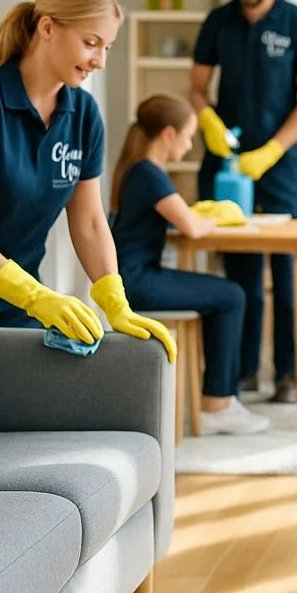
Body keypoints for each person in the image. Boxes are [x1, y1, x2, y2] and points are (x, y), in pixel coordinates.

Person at [0, 0, 175, 361]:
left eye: (108, 47)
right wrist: (35, 297)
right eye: (91, 43)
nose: (100, 61)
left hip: (12, 308)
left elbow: (88, 221)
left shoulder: (84, 115)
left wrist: (113, 299)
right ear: (48, 27)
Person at [190, 0, 297, 404]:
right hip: (226, 164)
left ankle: (287, 374)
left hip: (279, 164)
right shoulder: (218, 22)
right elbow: (196, 88)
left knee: (284, 268)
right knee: (239, 269)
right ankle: (243, 371)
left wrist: (271, 150)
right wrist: (206, 119)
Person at [109, 94, 270, 434]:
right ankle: (217, 404)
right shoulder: (149, 173)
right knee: (231, 295)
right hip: (138, 282)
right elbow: (192, 227)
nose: (188, 145)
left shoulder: (138, 169)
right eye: (187, 137)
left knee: (226, 294)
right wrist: (225, 217)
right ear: (168, 134)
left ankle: (218, 399)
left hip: (134, 277)